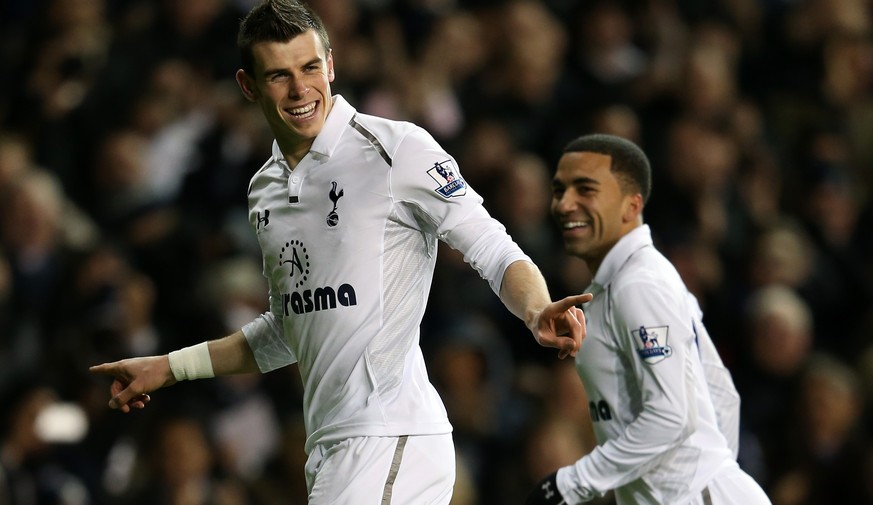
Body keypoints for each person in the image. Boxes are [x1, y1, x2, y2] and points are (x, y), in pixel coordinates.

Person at [88, 1, 591, 504]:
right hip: (331, 447)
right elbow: (289, 330)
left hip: (391, 435)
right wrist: (171, 367)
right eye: (279, 75)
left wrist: (536, 308)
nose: (301, 89)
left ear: (330, 64)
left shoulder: (397, 149)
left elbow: (492, 246)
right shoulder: (264, 189)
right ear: (248, 86)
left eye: (310, 68)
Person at [526, 134, 771, 504]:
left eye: (585, 189)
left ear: (631, 205)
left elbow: (673, 415)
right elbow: (721, 391)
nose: (564, 203)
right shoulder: (632, 279)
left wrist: (572, 482)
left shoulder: (637, 284)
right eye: (559, 189)